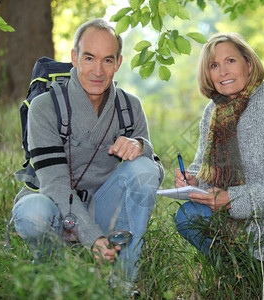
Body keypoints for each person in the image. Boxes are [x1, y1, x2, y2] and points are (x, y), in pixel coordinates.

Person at [11, 18, 164, 286]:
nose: (98, 70)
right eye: (89, 58)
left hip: (100, 208)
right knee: (32, 213)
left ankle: (124, 280)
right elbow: (56, 184)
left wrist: (141, 147)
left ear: (118, 63)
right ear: (74, 57)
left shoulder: (130, 107)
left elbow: (154, 174)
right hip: (53, 206)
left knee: (144, 168)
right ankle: (52, 270)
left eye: (107, 60)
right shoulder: (45, 106)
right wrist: (92, 237)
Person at [174, 33, 264, 267]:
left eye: (230, 61)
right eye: (214, 65)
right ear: (208, 74)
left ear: (248, 63)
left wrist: (233, 200)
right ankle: (234, 275)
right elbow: (203, 168)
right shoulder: (212, 112)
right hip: (233, 230)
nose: (223, 71)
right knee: (188, 216)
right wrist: (191, 178)